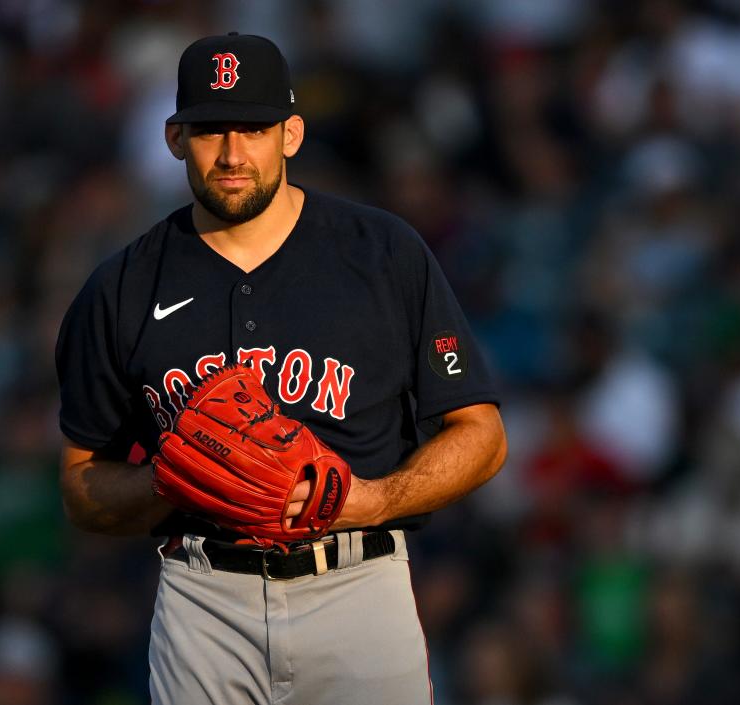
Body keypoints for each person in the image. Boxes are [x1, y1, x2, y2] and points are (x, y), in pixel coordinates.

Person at [55, 32, 507, 705]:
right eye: (211, 130)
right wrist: (175, 477)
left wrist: (373, 499)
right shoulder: (120, 287)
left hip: (359, 584)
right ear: (175, 138)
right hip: (203, 596)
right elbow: (80, 485)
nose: (233, 153)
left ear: (291, 133)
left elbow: (483, 435)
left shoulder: (383, 254)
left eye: (255, 127)